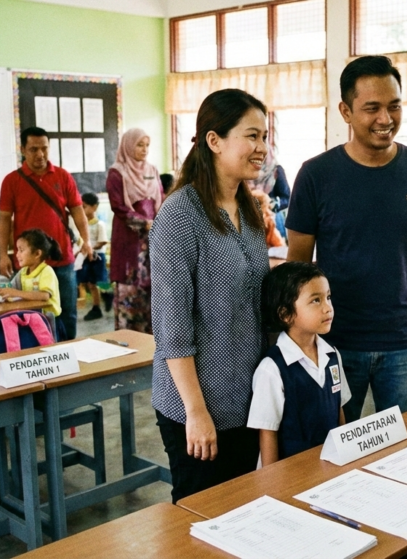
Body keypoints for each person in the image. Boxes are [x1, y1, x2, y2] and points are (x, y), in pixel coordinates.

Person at [286, 55, 407, 423]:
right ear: (346, 111)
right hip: (333, 341)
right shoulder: (316, 175)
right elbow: (296, 264)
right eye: (372, 108)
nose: (386, 119)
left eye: (394, 106)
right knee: (328, 447)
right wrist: (298, 340)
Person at [150, 88, 270, 502]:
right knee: (200, 518)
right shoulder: (180, 214)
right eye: (251, 136)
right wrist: (196, 412)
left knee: (242, 513)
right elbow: (172, 325)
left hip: (247, 400)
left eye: (265, 137)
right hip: (197, 404)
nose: (262, 148)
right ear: (214, 141)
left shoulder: (249, 209)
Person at [248, 262, 350, 466]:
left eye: (328, 297)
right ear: (285, 314)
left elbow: (338, 411)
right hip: (290, 473)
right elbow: (268, 433)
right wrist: (273, 486)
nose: (328, 308)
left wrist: (345, 458)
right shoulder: (272, 369)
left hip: (327, 467)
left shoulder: (332, 356)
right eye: (316, 300)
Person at [0, 126, 93, 341]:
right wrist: (4, 254)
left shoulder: (63, 176)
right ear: (22, 149)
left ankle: (69, 353)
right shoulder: (12, 180)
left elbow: (78, 211)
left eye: (44, 148)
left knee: (66, 311)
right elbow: (4, 219)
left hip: (62, 259)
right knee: (27, 313)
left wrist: (86, 240)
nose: (40, 154)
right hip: (28, 264)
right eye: (33, 149)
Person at [107, 128, 163, 333]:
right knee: (130, 287)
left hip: (153, 238)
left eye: (147, 145)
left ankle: (151, 340)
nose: (144, 149)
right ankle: (129, 338)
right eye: (140, 144)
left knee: (153, 287)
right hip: (129, 240)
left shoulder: (152, 170)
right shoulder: (117, 172)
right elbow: (118, 206)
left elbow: (161, 199)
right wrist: (145, 223)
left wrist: (160, 222)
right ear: (129, 145)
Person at [0, 229, 63, 320]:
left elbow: (44, 295)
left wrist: (16, 293)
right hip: (33, 318)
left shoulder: (46, 271)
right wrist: (1, 290)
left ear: (37, 253)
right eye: (17, 250)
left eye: (21, 250)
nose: (17, 255)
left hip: (49, 320)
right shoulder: (23, 272)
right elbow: (11, 288)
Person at [76, 192, 109, 321]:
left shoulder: (99, 224)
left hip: (96, 257)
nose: (82, 210)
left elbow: (103, 241)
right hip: (85, 257)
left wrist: (89, 247)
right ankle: (105, 296)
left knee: (92, 283)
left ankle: (97, 307)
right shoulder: (83, 225)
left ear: (94, 207)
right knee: (85, 282)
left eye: (84, 206)